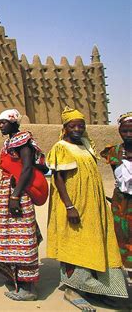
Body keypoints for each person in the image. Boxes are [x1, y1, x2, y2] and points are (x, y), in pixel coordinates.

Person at [47, 106, 128, 311]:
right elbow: (58, 178)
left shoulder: (85, 144)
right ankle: (73, 288)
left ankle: (99, 289)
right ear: (65, 128)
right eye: (72, 125)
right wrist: (70, 206)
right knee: (75, 242)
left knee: (97, 242)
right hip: (74, 203)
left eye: (80, 125)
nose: (77, 129)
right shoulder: (61, 147)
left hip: (93, 204)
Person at [0, 109, 46, 301]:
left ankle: (28, 288)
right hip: (9, 191)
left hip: (18, 193)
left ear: (14, 123)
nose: (1, 126)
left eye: (4, 122)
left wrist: (15, 195)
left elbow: (27, 168)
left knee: (22, 235)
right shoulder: (10, 141)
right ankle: (17, 281)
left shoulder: (23, 140)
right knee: (11, 234)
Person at [100, 112, 132, 285]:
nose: (128, 134)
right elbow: (117, 178)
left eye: (131, 131)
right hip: (121, 202)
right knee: (120, 236)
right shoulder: (113, 152)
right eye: (124, 131)